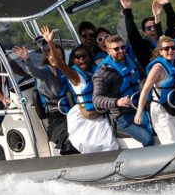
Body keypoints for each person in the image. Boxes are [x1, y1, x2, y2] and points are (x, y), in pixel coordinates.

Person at [42, 25, 119, 153]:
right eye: (77, 57)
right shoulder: (74, 76)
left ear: (90, 57)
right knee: (99, 142)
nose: (81, 59)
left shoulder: (98, 70)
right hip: (88, 114)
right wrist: (50, 42)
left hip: (103, 110)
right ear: (74, 61)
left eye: (84, 56)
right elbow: (58, 61)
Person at [12, 42, 78, 155]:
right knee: (67, 134)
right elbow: (34, 72)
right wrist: (27, 59)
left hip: (72, 109)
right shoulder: (44, 72)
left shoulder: (66, 70)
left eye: (58, 56)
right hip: (56, 113)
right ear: (47, 57)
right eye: (52, 55)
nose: (55, 58)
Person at [93, 35, 156, 147]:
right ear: (108, 51)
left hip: (141, 108)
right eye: (116, 49)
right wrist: (117, 102)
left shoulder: (130, 60)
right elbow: (97, 100)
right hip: (124, 117)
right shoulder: (102, 73)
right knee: (148, 139)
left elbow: (143, 78)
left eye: (122, 47)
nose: (121, 51)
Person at [134, 36, 175, 145]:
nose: (170, 50)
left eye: (172, 47)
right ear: (160, 51)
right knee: (174, 144)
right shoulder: (157, 68)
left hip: (172, 108)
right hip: (160, 110)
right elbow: (145, 91)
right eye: (166, 49)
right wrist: (139, 112)